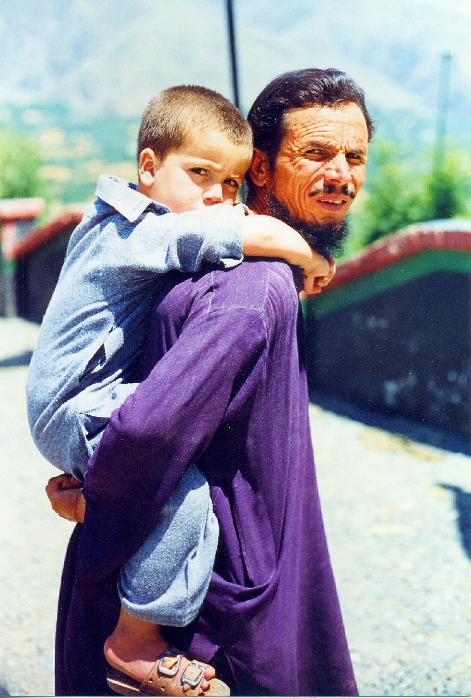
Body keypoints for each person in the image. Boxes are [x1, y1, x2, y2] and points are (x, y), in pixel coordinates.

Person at [48, 68, 374, 696]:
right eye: (316, 153)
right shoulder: (253, 288)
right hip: (203, 614)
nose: (341, 175)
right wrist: (100, 497)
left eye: (354, 157)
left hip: (206, 569)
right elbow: (146, 429)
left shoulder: (243, 267)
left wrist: (94, 483)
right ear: (260, 168)